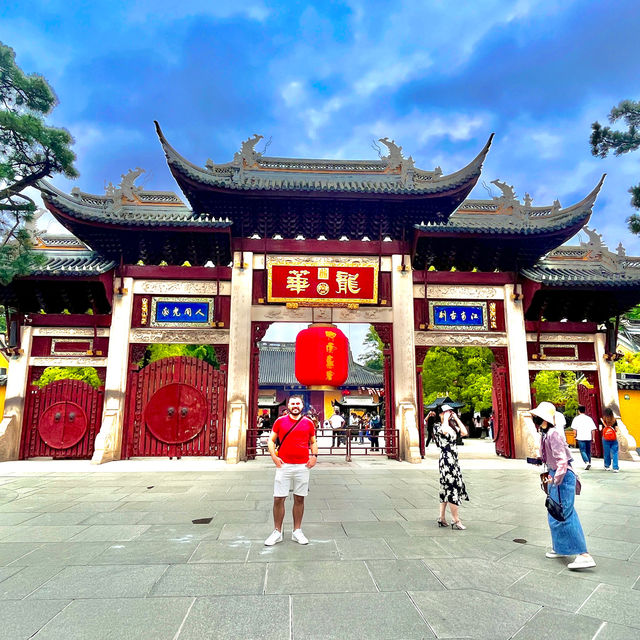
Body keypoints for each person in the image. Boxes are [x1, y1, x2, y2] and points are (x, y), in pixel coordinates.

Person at [531, 401, 596, 570]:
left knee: (565, 513)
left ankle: (584, 554)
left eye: (537, 417)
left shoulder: (554, 434)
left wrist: (556, 479)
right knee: (554, 512)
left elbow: (563, 461)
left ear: (544, 419)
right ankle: (561, 548)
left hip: (562, 476)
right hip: (554, 474)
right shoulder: (545, 434)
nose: (534, 419)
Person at [265, 395, 318, 546]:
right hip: (284, 465)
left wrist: (314, 456)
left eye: (298, 403)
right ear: (288, 405)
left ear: (302, 406)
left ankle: (297, 531)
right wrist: (274, 457)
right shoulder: (280, 421)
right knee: (278, 498)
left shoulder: (308, 423)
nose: (295, 405)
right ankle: (277, 531)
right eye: (292, 403)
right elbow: (271, 440)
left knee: (300, 498)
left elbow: (313, 441)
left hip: (303, 465)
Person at [434, 404, 469, 530]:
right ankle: (455, 519)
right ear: (440, 414)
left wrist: (456, 418)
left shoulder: (452, 426)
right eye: (445, 412)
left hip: (454, 459)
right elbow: (443, 432)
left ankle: (441, 517)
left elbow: (464, 432)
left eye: (449, 412)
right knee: (452, 487)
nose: (448, 414)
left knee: (445, 488)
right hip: (446, 460)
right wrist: (445, 419)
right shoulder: (438, 426)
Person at [571, 405, 596, 470]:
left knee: (582, 450)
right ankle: (589, 462)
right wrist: (593, 437)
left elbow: (574, 429)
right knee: (588, 450)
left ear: (578, 411)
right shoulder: (589, 418)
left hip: (580, 436)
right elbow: (593, 429)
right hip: (588, 436)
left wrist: (575, 435)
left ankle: (586, 461)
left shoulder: (576, 419)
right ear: (585, 411)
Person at [599, 407, 620, 472]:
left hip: (605, 439)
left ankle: (607, 466)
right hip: (613, 438)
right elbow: (616, 429)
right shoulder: (614, 420)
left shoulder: (602, 420)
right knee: (615, 452)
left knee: (607, 452)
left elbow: (600, 429)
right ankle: (615, 467)